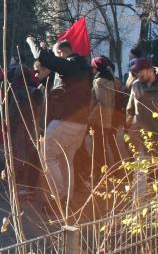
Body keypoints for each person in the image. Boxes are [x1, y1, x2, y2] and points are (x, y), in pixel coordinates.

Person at [26, 37, 92, 206]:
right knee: (66, 159)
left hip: (65, 120)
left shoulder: (70, 65)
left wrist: (31, 42)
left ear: (62, 53)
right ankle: (67, 200)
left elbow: (43, 57)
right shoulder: (84, 67)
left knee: (47, 156)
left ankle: (60, 197)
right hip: (81, 123)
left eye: (57, 55)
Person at [89, 56, 118, 173]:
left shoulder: (99, 81)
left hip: (99, 119)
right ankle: (115, 170)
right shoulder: (112, 80)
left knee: (99, 148)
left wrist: (89, 117)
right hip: (110, 117)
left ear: (96, 68)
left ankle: (102, 173)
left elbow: (101, 102)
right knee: (109, 146)